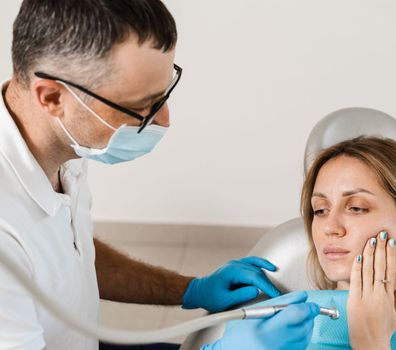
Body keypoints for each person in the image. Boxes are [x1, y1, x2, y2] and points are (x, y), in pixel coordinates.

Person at [0, 1, 319, 349]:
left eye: (162, 96)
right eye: (140, 107)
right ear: (52, 97)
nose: (164, 120)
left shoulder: (63, 138)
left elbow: (68, 256)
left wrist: (191, 289)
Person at [225, 136, 396, 349]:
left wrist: (372, 344)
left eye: (356, 207)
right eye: (320, 210)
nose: (330, 227)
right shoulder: (266, 329)